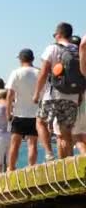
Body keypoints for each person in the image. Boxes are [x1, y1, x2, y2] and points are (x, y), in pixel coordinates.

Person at [34, 22, 82, 160]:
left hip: (53, 94)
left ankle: (49, 154)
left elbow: (43, 72)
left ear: (59, 34)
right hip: (72, 96)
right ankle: (68, 161)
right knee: (65, 131)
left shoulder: (52, 48)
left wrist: (37, 93)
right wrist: (78, 94)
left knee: (40, 122)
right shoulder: (77, 50)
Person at [6, 49, 40, 170]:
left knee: (15, 144)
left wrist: (8, 113)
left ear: (20, 59)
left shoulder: (16, 73)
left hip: (19, 113)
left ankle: (11, 168)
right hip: (35, 113)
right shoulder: (39, 72)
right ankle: (31, 168)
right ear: (33, 59)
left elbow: (10, 94)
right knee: (32, 144)